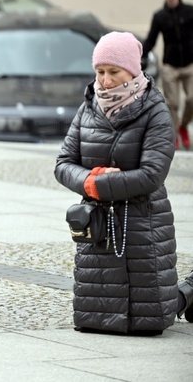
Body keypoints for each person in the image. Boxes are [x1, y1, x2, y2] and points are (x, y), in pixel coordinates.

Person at [55, 31, 193, 335]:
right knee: (94, 315)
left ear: (132, 70)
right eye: (99, 72)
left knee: (154, 313)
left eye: (113, 72)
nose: (104, 81)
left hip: (143, 222)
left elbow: (152, 174)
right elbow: (63, 164)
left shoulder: (156, 111)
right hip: (99, 224)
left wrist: (99, 185)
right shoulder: (87, 108)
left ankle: (189, 291)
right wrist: (91, 182)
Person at [142, 0, 193, 150]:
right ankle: (175, 133)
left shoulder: (189, 11)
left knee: (192, 98)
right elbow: (151, 39)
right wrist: (140, 54)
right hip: (170, 65)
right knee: (172, 103)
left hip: (189, 64)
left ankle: (183, 125)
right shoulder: (160, 16)